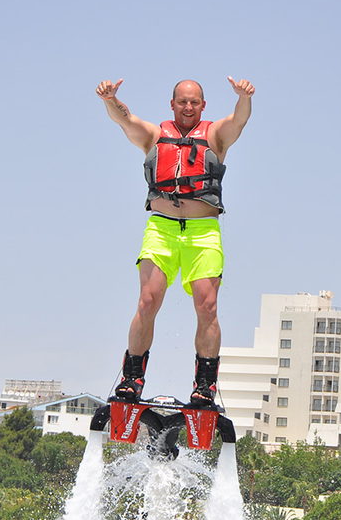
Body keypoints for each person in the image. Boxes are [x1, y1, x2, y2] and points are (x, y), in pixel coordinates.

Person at [96, 76, 255, 406]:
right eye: (182, 101)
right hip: (162, 229)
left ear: (203, 105)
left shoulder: (215, 136)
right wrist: (111, 99)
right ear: (172, 104)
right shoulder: (155, 136)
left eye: (194, 102)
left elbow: (240, 119)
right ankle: (131, 378)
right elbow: (125, 119)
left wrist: (243, 97)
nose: (188, 107)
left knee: (208, 307)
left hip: (203, 232)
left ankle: (204, 385)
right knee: (147, 301)